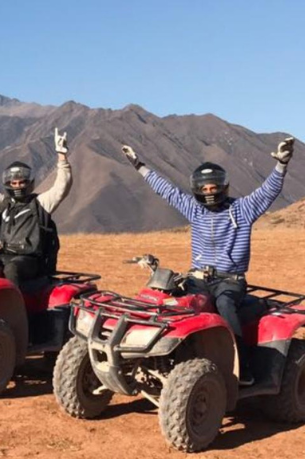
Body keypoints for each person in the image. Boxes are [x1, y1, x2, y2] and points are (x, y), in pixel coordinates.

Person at [120, 137, 295, 386]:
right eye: (204, 188)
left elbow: (268, 192)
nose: (209, 192)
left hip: (229, 281)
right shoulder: (195, 209)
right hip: (197, 278)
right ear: (197, 189)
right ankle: (171, 356)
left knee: (224, 305)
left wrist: (281, 164)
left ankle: (241, 367)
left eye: (214, 188)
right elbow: (167, 190)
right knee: (175, 303)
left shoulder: (242, 210)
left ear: (223, 187)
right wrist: (139, 165)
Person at [0, 128, 72, 286]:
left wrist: (62, 156)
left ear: (29, 182)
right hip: (1, 256)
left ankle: (14, 309)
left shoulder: (41, 203)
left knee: (12, 270)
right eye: (14, 183)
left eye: (22, 182)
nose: (18, 186)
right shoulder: (3, 203)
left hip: (30, 260)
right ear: (8, 184)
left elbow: (62, 186)